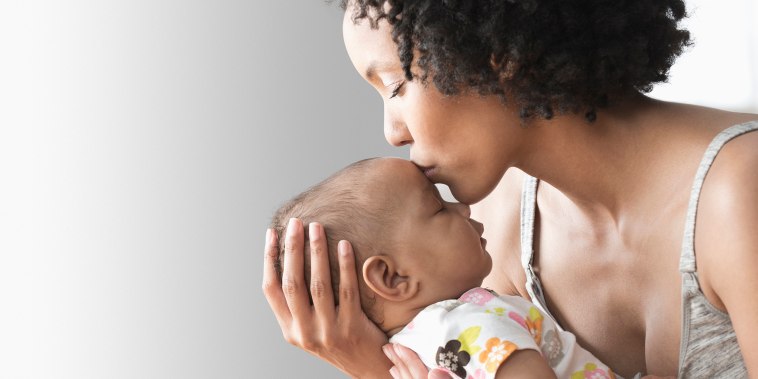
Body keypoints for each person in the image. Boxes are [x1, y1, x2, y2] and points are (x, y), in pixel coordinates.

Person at [262, 1, 758, 377]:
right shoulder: (497, 224)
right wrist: (379, 364)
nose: (393, 132)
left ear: (489, 53)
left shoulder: (740, 189)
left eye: (394, 85)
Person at [270, 157, 614, 379]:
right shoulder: (462, 324)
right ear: (392, 277)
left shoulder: (414, 351)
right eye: (438, 208)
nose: (463, 209)